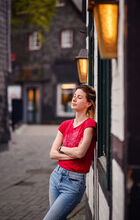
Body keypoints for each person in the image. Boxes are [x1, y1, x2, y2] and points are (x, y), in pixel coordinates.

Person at [43, 84, 96, 220]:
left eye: (79, 97)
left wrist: (62, 148)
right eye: (74, 96)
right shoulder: (65, 125)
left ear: (89, 103)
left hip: (74, 183)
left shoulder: (89, 125)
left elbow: (80, 153)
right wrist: (72, 153)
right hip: (56, 176)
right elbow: (52, 154)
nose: (74, 99)